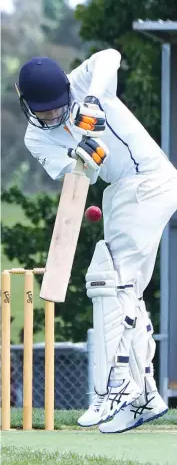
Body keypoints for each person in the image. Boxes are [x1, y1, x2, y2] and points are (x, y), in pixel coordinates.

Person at [16, 49, 177, 433]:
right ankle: (144, 397)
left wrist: (93, 98)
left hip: (148, 181)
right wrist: (80, 156)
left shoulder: (84, 82)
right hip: (120, 190)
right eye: (46, 112)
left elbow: (112, 54)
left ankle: (115, 389)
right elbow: (77, 178)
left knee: (111, 285)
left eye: (58, 108)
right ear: (29, 106)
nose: (53, 117)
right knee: (126, 291)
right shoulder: (35, 138)